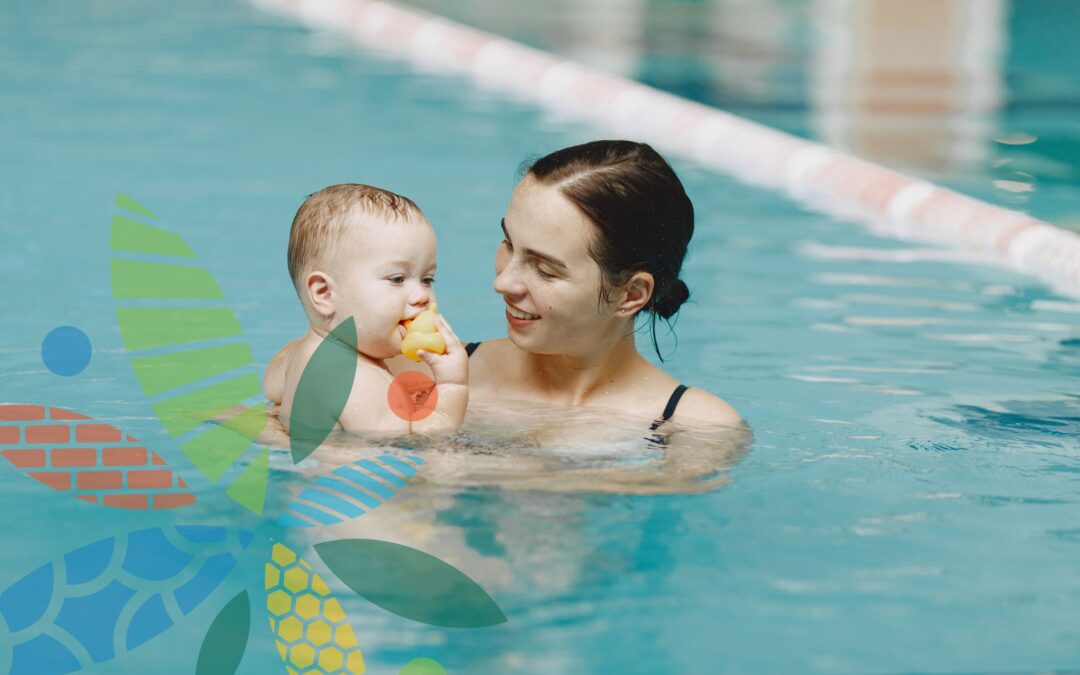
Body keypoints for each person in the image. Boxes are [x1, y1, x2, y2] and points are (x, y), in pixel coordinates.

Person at [463, 140, 742, 442]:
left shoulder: (693, 428)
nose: (502, 283)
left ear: (631, 294)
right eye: (508, 244)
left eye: (545, 269)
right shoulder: (435, 371)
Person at [266, 183, 468, 436]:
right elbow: (411, 446)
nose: (421, 297)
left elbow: (271, 387)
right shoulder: (354, 380)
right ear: (324, 293)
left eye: (427, 279)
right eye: (397, 279)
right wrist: (452, 386)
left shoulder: (301, 355)